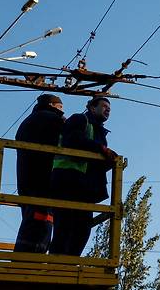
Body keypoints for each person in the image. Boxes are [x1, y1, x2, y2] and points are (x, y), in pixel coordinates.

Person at [49, 96, 118, 256]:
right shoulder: (79, 119)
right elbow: (73, 139)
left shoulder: (98, 130)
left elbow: (93, 160)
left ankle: (69, 265)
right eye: (104, 106)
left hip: (84, 187)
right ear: (92, 108)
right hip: (68, 180)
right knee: (64, 227)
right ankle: (56, 265)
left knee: (82, 229)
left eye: (109, 108)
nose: (107, 109)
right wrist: (101, 149)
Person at [14, 94, 65, 253]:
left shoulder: (27, 122)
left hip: (26, 179)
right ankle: (30, 263)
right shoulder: (53, 119)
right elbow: (69, 136)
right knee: (43, 221)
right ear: (52, 105)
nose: (62, 111)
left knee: (31, 219)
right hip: (44, 178)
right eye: (60, 107)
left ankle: (23, 260)